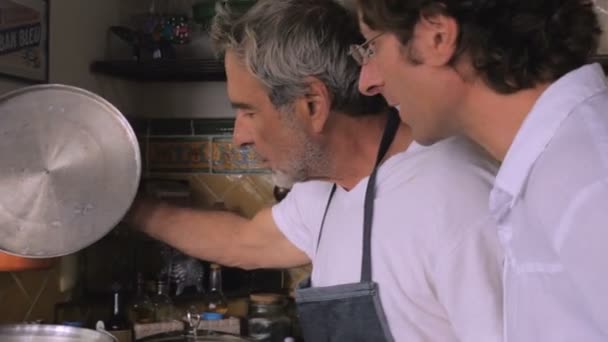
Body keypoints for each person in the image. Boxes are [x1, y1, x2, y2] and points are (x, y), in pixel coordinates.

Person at [127, 0, 503, 341]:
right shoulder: (329, 189)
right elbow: (243, 241)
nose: (239, 137)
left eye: (248, 112)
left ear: (312, 105)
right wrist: (122, 206)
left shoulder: (456, 197)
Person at [353, 0, 608, 340]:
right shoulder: (553, 171)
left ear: (437, 36)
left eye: (372, 47)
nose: (367, 81)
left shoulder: (587, 182)